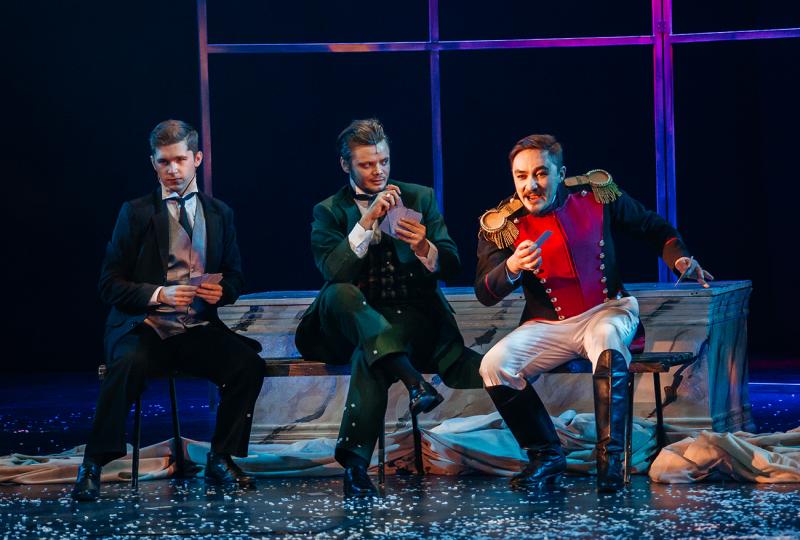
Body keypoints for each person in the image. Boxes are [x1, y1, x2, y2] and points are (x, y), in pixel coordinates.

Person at [475, 134, 712, 493]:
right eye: (521, 176)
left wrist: (678, 258)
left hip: (607, 310)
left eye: (540, 173)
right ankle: (545, 456)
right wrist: (511, 266)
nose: (530, 185)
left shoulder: (596, 195)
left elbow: (653, 228)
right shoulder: (503, 223)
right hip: (549, 324)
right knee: (494, 364)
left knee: (605, 339)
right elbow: (484, 292)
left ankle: (610, 462)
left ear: (560, 174)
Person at [72, 120, 265, 501]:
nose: (172, 169)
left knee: (247, 366)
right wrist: (159, 294)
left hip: (195, 329)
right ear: (153, 163)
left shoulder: (220, 213)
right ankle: (93, 463)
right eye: (163, 162)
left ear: (197, 159)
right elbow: (109, 284)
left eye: (179, 160)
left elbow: (236, 277)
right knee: (126, 365)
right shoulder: (136, 213)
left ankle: (220, 457)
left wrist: (222, 291)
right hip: (145, 326)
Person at [295, 118, 483, 497]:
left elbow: (452, 264)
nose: (378, 171)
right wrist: (367, 222)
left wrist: (424, 246)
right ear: (346, 164)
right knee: (340, 294)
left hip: (409, 318)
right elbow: (334, 271)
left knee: (373, 354)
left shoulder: (419, 197)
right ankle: (415, 384)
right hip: (346, 320)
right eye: (367, 164)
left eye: (384, 161)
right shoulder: (328, 211)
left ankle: (355, 469)